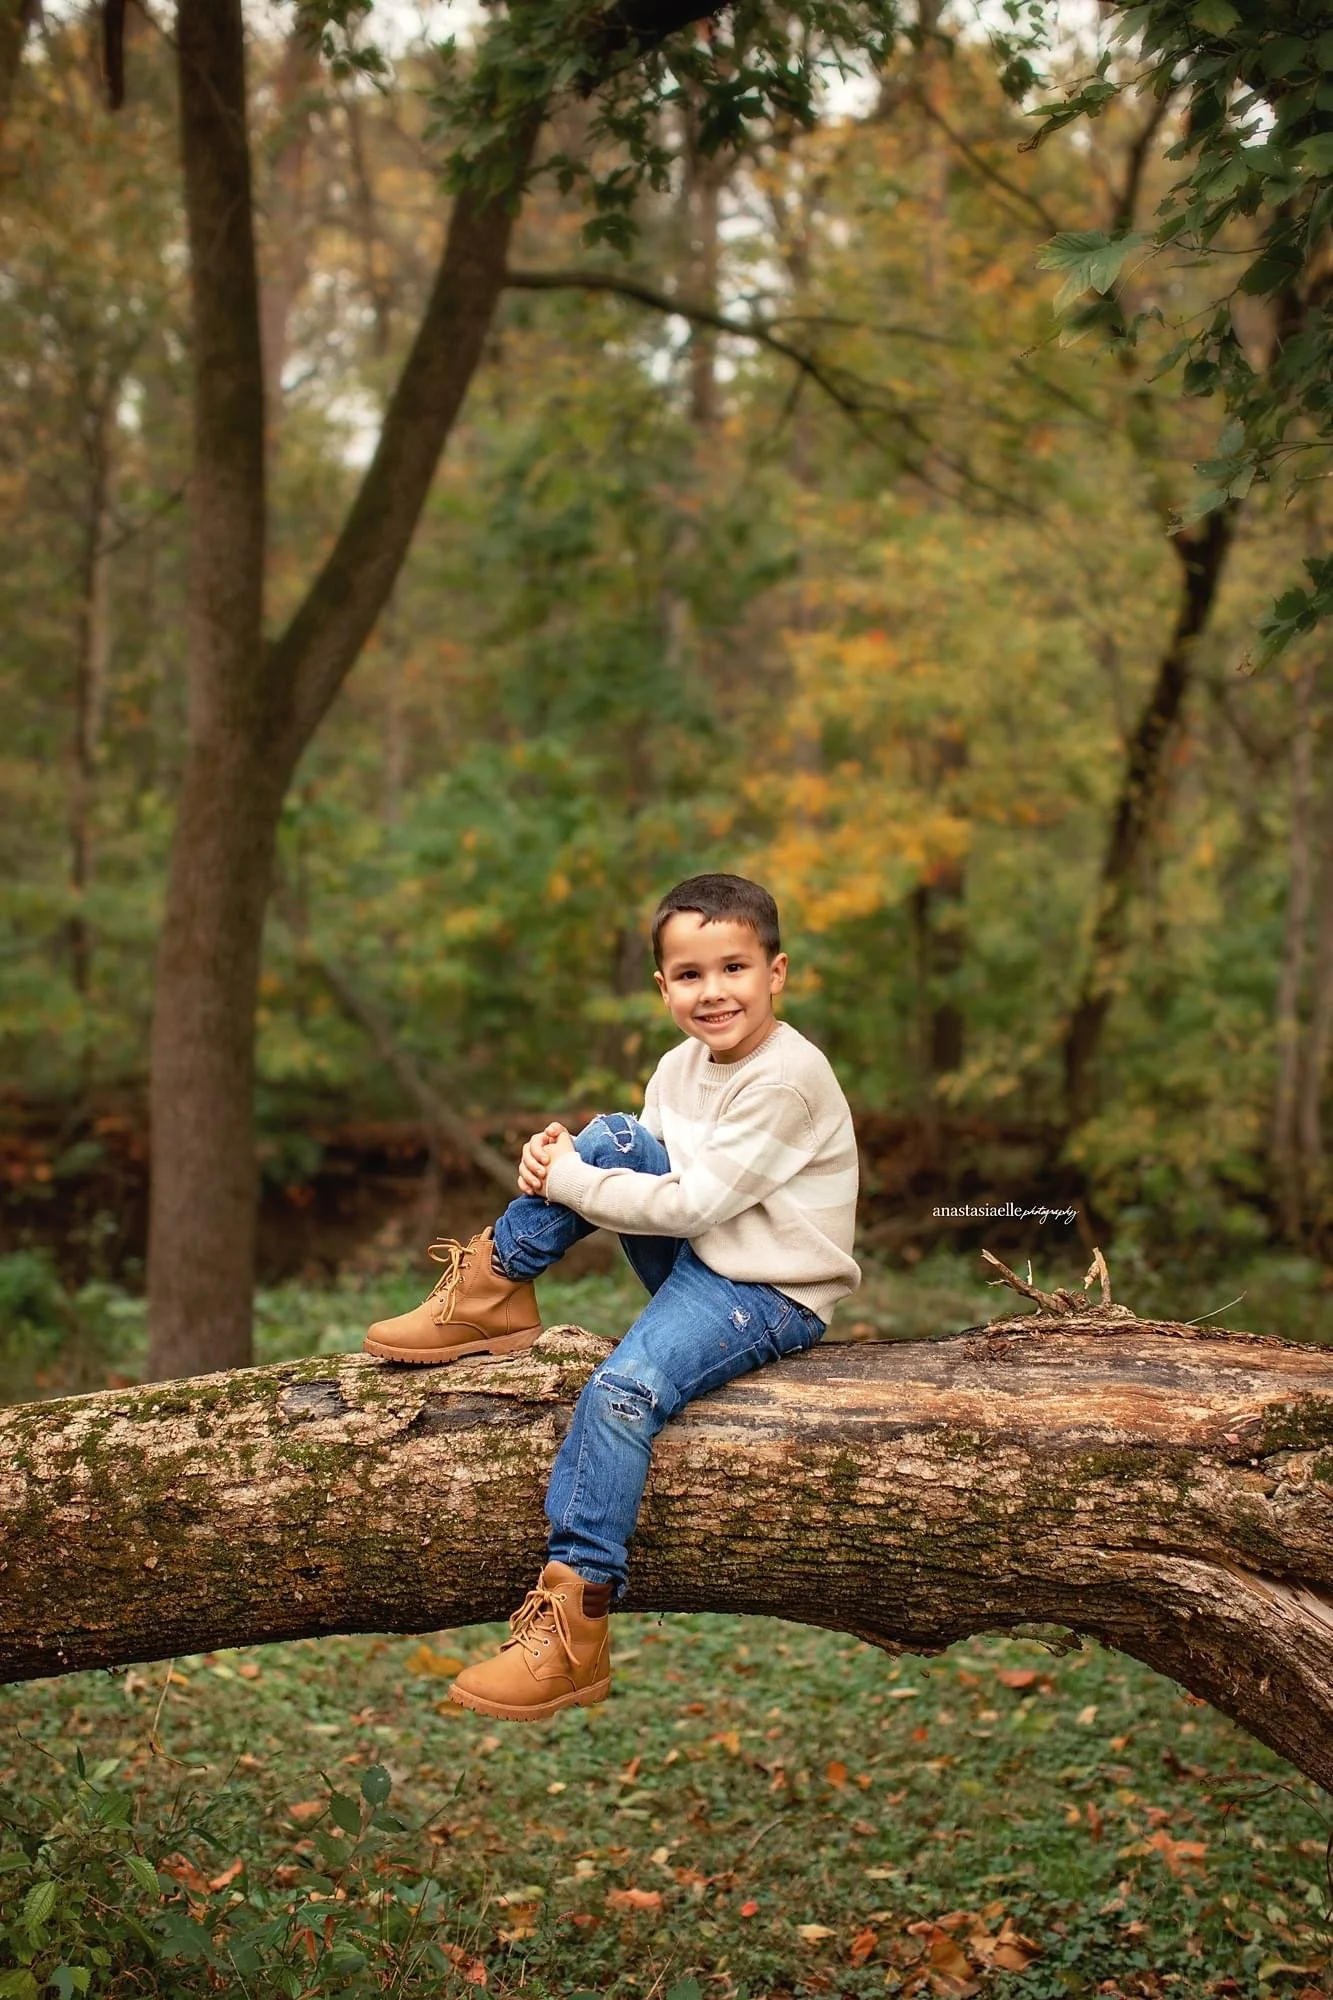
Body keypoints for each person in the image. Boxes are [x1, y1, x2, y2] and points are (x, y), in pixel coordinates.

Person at [364, 872, 861, 1721]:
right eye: (692, 975)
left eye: (734, 969)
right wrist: (561, 1165)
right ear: (663, 986)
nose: (715, 993)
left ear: (776, 974)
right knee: (615, 1134)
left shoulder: (785, 1078)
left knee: (622, 1393)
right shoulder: (679, 1066)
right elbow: (637, 1166)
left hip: (768, 1289)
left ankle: (575, 1622)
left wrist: (574, 1181)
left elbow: (692, 1205)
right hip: (706, 1260)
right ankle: (493, 1284)